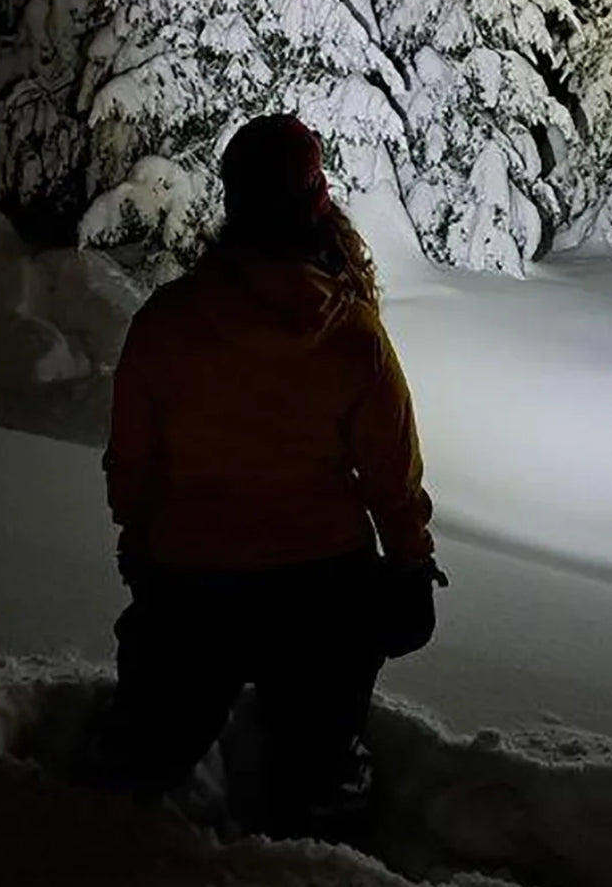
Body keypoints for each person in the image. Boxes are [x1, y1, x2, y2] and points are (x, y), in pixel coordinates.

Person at [91, 113, 442, 841]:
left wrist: (140, 543)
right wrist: (409, 564)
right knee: (318, 777)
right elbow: (391, 474)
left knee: (133, 769)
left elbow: (134, 462)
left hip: (188, 589)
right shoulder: (349, 335)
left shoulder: (166, 321)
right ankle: (318, 787)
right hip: (320, 596)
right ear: (317, 206)